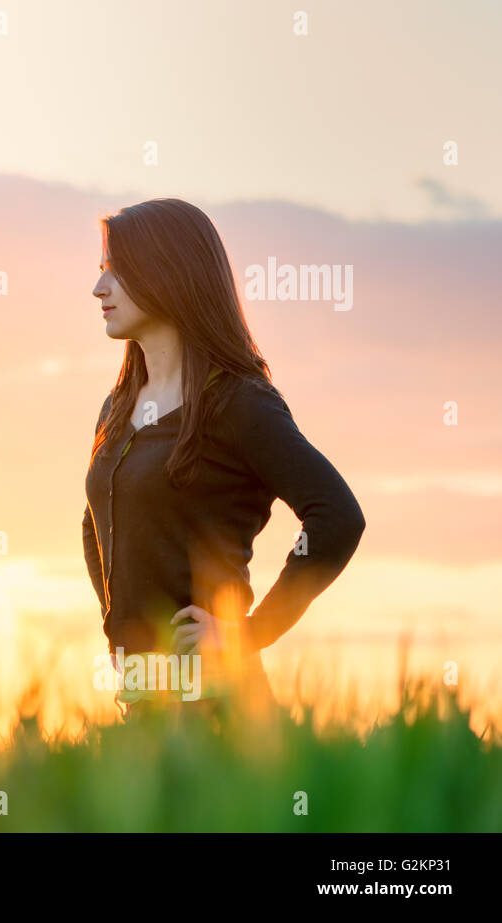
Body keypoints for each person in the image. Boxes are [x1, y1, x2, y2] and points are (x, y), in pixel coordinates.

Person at [83, 198, 365, 728]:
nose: (100, 288)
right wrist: (118, 632)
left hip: (220, 710)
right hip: (141, 706)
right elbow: (94, 521)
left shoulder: (239, 404)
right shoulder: (119, 407)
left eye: (117, 271)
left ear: (169, 273)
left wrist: (249, 633)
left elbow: (337, 516)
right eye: (102, 271)